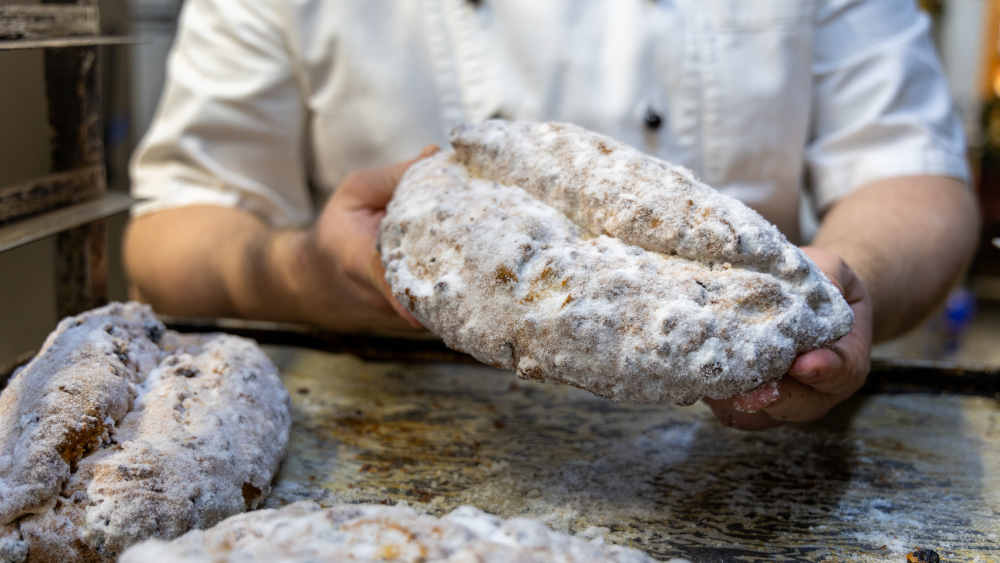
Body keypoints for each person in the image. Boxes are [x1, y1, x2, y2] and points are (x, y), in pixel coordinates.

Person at [124, 0, 981, 430]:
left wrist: (852, 277)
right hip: (401, 432)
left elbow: (916, 174)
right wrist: (306, 273)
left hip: (754, 438)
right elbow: (174, 226)